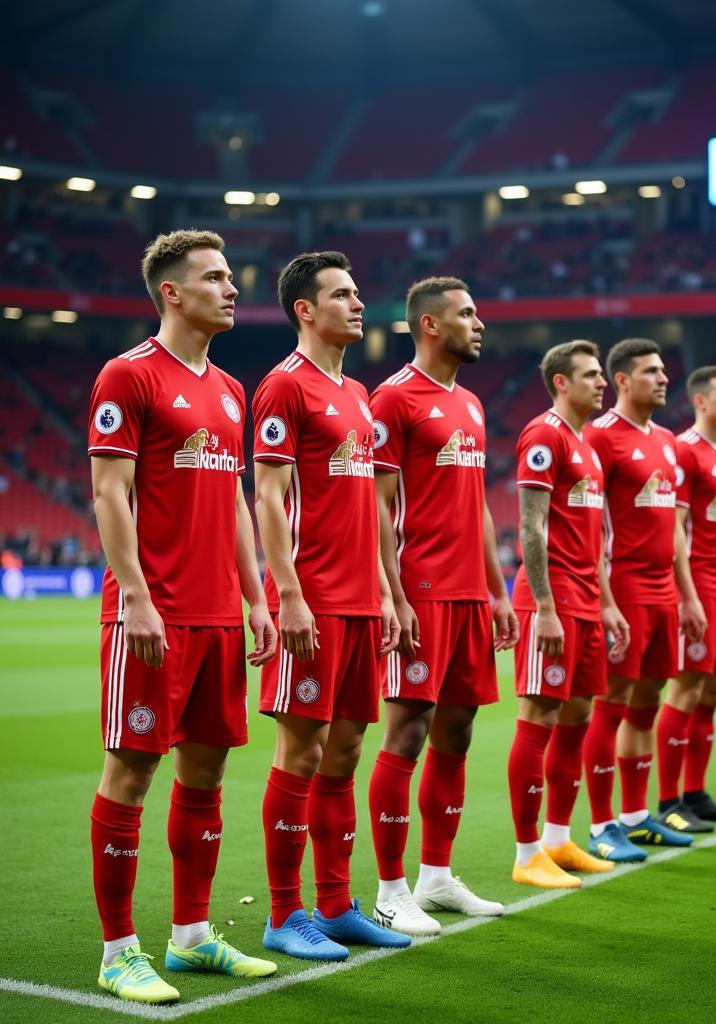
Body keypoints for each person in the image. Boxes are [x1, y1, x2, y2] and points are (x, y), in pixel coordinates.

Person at [87, 229, 277, 1004]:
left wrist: (256, 594)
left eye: (231, 277)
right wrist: (134, 595)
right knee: (132, 770)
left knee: (207, 770)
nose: (232, 289)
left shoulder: (230, 390)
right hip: (152, 613)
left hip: (217, 616)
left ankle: (193, 936)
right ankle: (117, 951)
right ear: (172, 291)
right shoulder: (127, 375)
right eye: (216, 277)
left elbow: (234, 498)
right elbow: (108, 492)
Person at [253, 251, 410, 961]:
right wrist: (286, 594)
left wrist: (388, 591)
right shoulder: (284, 388)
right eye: (342, 294)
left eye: (358, 291)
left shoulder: (360, 396)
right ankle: (284, 915)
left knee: (344, 751)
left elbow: (374, 508)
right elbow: (269, 498)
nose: (358, 303)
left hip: (359, 603)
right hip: (309, 602)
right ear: (305, 311)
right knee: (302, 750)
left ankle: (338, 904)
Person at [368, 276, 517, 935]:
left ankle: (436, 876)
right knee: (407, 732)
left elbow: (479, 505)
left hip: (467, 595)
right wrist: (391, 593)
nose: (478, 323)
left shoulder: (474, 405)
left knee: (458, 733)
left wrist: (497, 587)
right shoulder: (394, 398)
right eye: (466, 313)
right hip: (420, 589)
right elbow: (374, 501)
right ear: (430, 325)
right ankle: (390, 888)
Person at [507, 339, 630, 889]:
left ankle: (559, 838)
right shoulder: (544, 435)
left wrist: (606, 603)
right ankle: (527, 851)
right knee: (539, 721)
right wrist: (547, 607)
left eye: (602, 374)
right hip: (550, 605)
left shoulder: (587, 444)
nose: (602, 382)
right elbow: (532, 526)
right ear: (561, 382)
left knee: (577, 719)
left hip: (586, 602)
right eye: (590, 375)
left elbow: (593, 538)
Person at [582, 338, 694, 861]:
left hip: (664, 590)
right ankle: (601, 825)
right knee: (611, 707)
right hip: (623, 585)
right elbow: (587, 521)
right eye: (652, 371)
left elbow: (673, 528)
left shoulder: (668, 440)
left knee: (646, 706)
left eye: (664, 369)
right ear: (622, 380)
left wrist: (687, 595)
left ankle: (634, 815)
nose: (664, 378)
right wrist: (604, 596)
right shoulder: (600, 436)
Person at [657, 366, 716, 829]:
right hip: (695, 588)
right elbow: (674, 527)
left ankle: (695, 792)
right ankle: (668, 802)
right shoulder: (684, 451)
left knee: (711, 691)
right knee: (686, 687)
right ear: (700, 401)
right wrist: (687, 594)